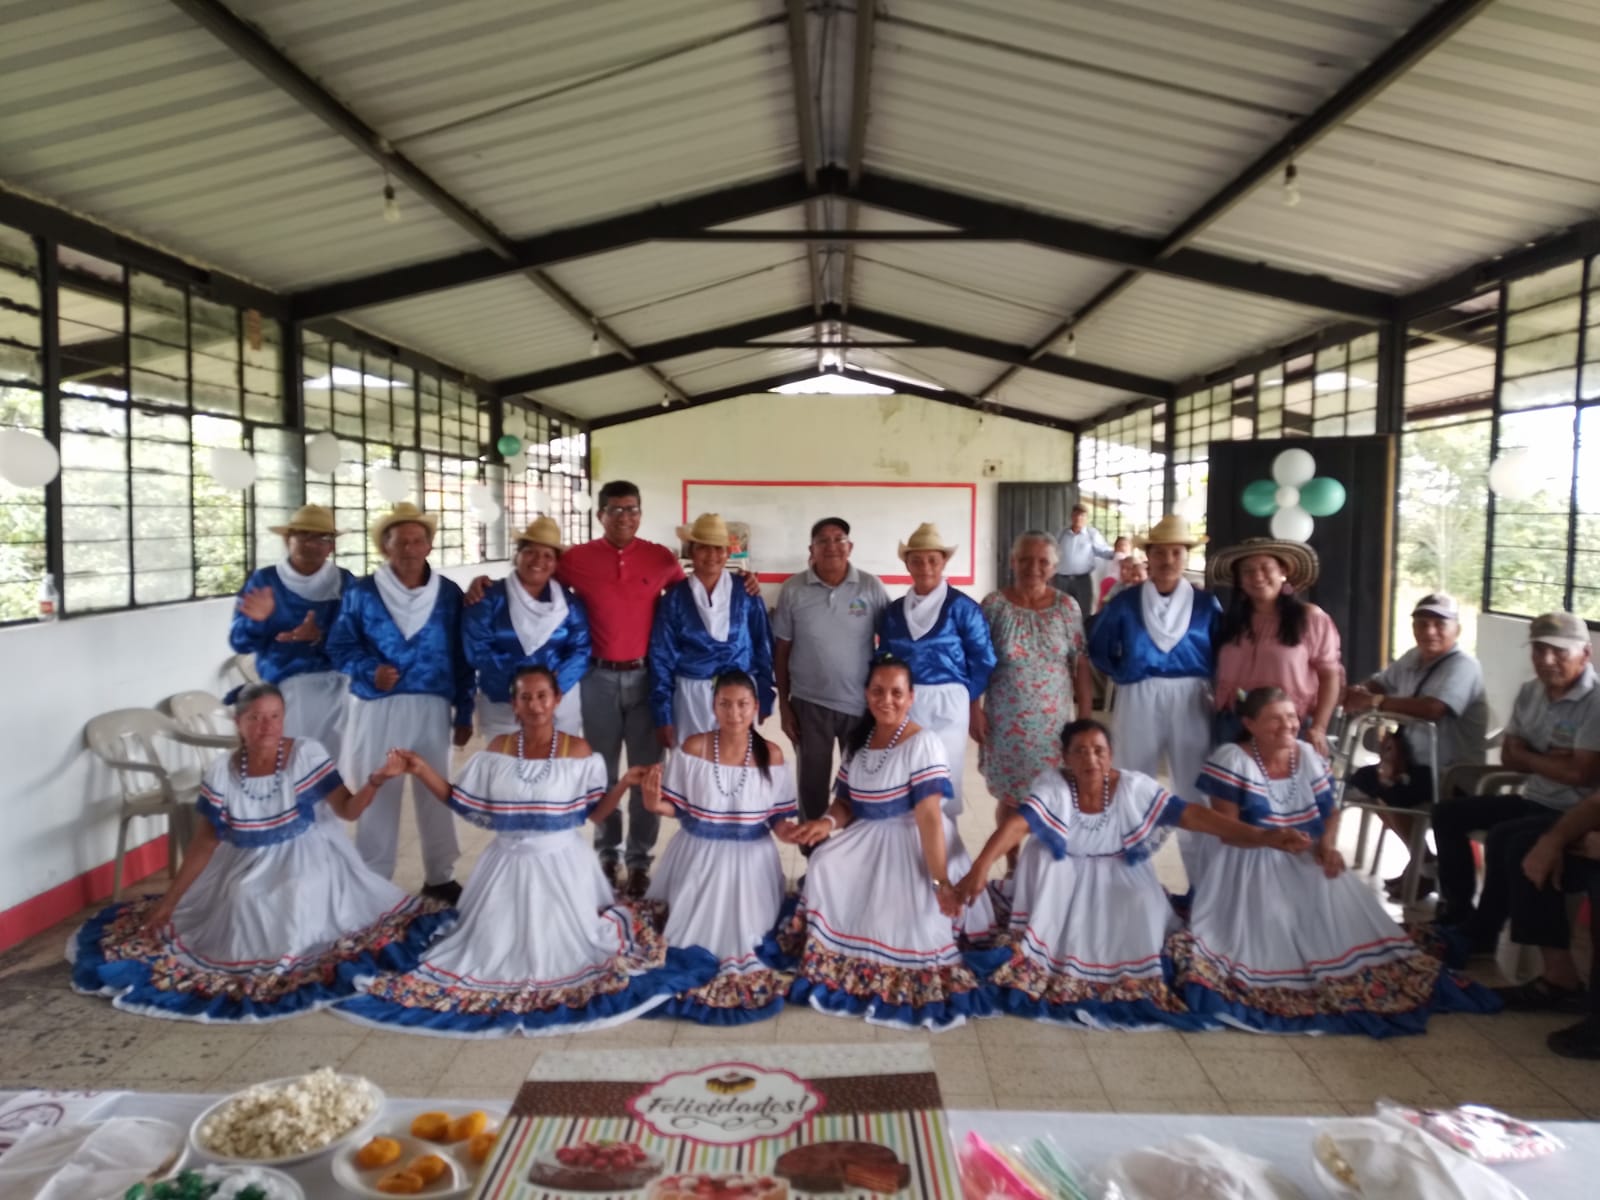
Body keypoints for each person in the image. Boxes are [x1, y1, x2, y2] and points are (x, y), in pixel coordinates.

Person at [337, 666, 714, 1036]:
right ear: (514, 704)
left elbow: (594, 814)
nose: (535, 705)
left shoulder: (578, 750)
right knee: (489, 951)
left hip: (563, 867)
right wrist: (421, 769)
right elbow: (461, 801)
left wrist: (623, 784)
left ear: (557, 700)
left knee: (570, 949)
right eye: (526, 697)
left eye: (542, 696)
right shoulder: (498, 750)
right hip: (504, 867)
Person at [69, 683, 446, 1022]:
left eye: (275, 717)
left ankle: (294, 952)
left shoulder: (305, 754)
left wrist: (376, 781)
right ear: (239, 723)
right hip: (246, 860)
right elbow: (204, 843)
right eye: (256, 718)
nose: (266, 726)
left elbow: (347, 810)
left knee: (295, 892)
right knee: (243, 896)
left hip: (309, 853)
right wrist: (169, 903)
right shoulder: (222, 772)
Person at [1169, 688, 1499, 1036]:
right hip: (1247, 859)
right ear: (1250, 724)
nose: (1288, 725)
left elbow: (1330, 812)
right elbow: (1228, 832)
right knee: (1273, 926)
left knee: (1343, 920)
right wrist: (1270, 839)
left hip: (1305, 854)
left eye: (1292, 716)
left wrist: (1327, 846)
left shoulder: (1307, 755)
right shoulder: (1232, 759)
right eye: (1275, 719)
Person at [958, 718, 1309, 1030]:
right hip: (1060, 870)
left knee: (1142, 910)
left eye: (1099, 751)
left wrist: (1263, 836)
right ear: (1065, 758)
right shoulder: (1053, 785)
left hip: (1119, 867)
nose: (1091, 759)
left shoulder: (1134, 788)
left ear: (1111, 755)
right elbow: (1018, 825)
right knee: (1054, 892)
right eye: (1080, 751)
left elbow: (1192, 816)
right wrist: (980, 867)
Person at [552, 481, 759, 899]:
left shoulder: (660, 558)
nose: (624, 517)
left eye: (632, 509)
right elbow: (536, 577)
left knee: (649, 772)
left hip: (647, 676)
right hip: (597, 677)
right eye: (615, 510)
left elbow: (696, 594)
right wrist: (486, 584)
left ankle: (639, 860)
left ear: (640, 514)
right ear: (600, 515)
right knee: (603, 771)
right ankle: (606, 853)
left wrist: (747, 582)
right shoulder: (576, 559)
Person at [786, 657, 997, 1031]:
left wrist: (940, 881)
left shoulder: (923, 743)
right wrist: (825, 823)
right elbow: (846, 802)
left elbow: (929, 817)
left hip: (914, 839)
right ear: (866, 694)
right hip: (868, 836)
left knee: (911, 915)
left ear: (911, 697)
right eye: (878, 691)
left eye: (897, 693)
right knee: (824, 862)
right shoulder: (859, 743)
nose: (887, 700)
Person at [326, 502, 474, 903]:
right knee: (379, 788)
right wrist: (369, 669)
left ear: (429, 546)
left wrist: (465, 709)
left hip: (432, 704)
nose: (409, 548)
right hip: (378, 705)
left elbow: (463, 655)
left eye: (417, 541)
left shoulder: (448, 594)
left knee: (436, 790)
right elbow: (339, 645)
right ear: (384, 546)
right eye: (400, 541)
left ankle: (440, 874)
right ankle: (374, 877)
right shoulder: (362, 592)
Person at [1431, 611, 1600, 959]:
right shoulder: (1530, 692)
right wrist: (1550, 760)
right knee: (1447, 813)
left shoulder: (1595, 701)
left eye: (1559, 651)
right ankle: (1458, 911)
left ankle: (1483, 932)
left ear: (1585, 653)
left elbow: (1579, 775)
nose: (1547, 660)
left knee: (1506, 837)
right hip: (1534, 797)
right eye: (1539, 650)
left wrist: (1530, 756)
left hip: (1573, 810)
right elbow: (1509, 757)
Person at [639, 671, 799, 1024]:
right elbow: (677, 807)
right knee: (684, 934)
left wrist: (789, 832)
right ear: (713, 706)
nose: (734, 713)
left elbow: (777, 816)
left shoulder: (771, 754)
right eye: (725, 704)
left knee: (752, 936)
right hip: (698, 853)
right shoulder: (693, 748)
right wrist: (654, 804)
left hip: (752, 862)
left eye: (743, 704)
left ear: (756, 707)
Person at [1088, 515, 1220, 884]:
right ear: (1148, 555)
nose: (1168, 560)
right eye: (1160, 552)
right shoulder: (1126, 603)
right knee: (1132, 779)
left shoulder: (1206, 604)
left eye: (1176, 552)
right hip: (1139, 692)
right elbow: (1098, 645)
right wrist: (1123, 673)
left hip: (1191, 695)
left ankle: (1202, 884)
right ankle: (1131, 878)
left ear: (1186, 556)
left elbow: (1223, 650)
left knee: (1195, 787)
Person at [1342, 592, 1488, 898]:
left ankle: (1425, 870)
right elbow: (1381, 681)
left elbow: (1434, 708)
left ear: (1457, 629)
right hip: (1413, 765)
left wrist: (1376, 701)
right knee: (1363, 783)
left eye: (1439, 624)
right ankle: (1425, 862)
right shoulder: (1413, 658)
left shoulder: (1464, 666)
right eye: (1421, 624)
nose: (1429, 631)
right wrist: (1359, 691)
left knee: (1390, 789)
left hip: (1450, 772)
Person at [976, 531, 1091, 855]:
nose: (1033, 567)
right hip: (1006, 724)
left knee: (1054, 796)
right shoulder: (994, 605)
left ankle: (1046, 868)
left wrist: (1084, 718)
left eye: (1043, 561)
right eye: (1025, 560)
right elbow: (975, 662)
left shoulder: (1067, 607)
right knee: (1011, 801)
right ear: (1013, 562)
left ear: (1054, 567)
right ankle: (1013, 868)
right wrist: (974, 709)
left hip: (1053, 728)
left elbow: (1081, 662)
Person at [774, 517, 890, 828]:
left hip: (861, 705)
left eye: (839, 539)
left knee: (860, 784)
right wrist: (784, 705)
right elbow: (782, 650)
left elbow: (891, 643)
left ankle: (854, 850)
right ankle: (814, 852)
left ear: (850, 547)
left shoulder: (870, 586)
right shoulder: (793, 590)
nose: (831, 546)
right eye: (822, 540)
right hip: (809, 705)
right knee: (811, 786)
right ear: (811, 549)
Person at [877, 522, 997, 814]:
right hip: (905, 701)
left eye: (933, 560)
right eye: (917, 560)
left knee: (945, 771)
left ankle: (945, 837)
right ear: (907, 564)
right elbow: (884, 657)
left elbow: (983, 659)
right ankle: (910, 837)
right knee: (907, 770)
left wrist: (968, 699)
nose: (925, 567)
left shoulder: (963, 608)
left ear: (943, 562)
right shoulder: (894, 612)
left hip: (949, 701)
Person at [228, 504, 354, 759]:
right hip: (284, 688)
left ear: (332, 546)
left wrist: (319, 637)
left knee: (334, 762)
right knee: (290, 760)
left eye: (322, 538)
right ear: (288, 540)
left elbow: (358, 640)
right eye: (304, 535)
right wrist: (257, 621)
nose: (312, 544)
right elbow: (239, 642)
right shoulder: (265, 581)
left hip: (339, 689)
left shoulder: (345, 582)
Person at [649, 512, 775, 747]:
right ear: (691, 551)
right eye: (703, 548)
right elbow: (661, 657)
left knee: (738, 758)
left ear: (728, 553)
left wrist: (765, 692)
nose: (712, 555)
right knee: (694, 758)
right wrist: (662, 713)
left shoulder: (747, 592)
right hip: (691, 697)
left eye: (718, 548)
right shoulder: (674, 599)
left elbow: (763, 644)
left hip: (739, 694)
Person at [1209, 537, 1342, 758]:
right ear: (1240, 580)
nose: (1257, 576)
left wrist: (1319, 727)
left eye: (1266, 568)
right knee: (1233, 780)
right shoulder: (1230, 622)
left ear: (1283, 572)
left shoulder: (1310, 618)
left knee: (1286, 780)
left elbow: (1330, 676)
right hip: (1233, 723)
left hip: (1288, 726)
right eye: (1248, 571)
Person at [462, 515, 590, 739]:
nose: (539, 560)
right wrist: (519, 691)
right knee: (505, 757)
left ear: (556, 564)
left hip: (559, 700)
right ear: (517, 555)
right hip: (505, 701)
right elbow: (477, 650)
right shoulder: (488, 598)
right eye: (530, 551)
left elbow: (581, 649)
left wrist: (552, 689)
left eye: (548, 555)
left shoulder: (569, 604)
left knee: (560, 758)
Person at [1053, 503, 1114, 619]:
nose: (1078, 518)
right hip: (1061, 579)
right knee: (1059, 610)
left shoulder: (1092, 534)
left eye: (1082, 516)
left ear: (1086, 518)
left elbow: (1103, 551)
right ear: (1071, 516)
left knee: (1083, 611)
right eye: (1076, 515)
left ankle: (1082, 631)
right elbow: (1053, 552)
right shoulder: (1062, 533)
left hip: (1082, 580)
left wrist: (1118, 553)